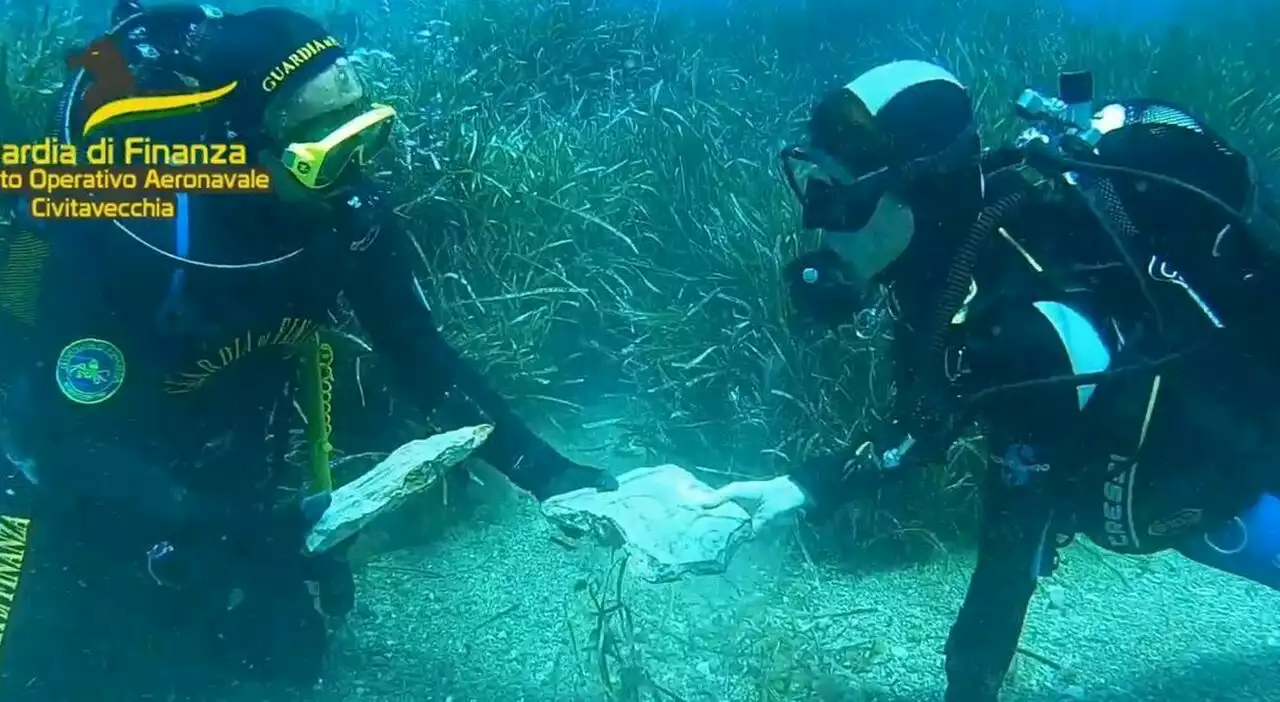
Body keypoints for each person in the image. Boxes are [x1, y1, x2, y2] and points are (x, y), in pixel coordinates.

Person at [0, 3, 617, 700]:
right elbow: (66, 443)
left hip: (227, 476)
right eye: (325, 153)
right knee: (50, 675)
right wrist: (235, 535)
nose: (355, 177)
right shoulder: (119, 226)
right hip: (79, 486)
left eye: (365, 135)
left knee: (282, 660)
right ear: (239, 148)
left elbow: (419, 353)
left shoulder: (345, 222)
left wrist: (546, 469)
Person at [700, 59, 1280, 700]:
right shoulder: (948, 259)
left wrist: (966, 691)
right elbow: (928, 422)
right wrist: (800, 488)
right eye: (815, 187)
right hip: (1211, 478)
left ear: (918, 195)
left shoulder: (1026, 334)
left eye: (843, 198)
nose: (819, 218)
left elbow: (1011, 547)